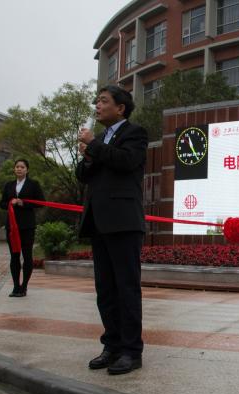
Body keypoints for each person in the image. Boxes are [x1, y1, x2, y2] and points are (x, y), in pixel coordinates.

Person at [76, 85, 148, 375]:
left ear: (120, 108)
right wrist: (87, 155)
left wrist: (93, 145)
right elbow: (83, 176)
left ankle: (131, 351)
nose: (97, 105)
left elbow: (126, 161)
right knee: (105, 289)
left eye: (103, 101)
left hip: (124, 221)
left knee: (126, 288)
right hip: (99, 221)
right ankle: (112, 345)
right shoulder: (101, 139)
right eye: (97, 101)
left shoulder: (135, 133)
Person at [0, 159, 45, 297]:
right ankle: (16, 287)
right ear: (14, 169)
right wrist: (10, 202)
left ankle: (24, 287)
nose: (19, 169)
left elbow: (41, 202)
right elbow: (2, 203)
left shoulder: (33, 184)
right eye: (17, 167)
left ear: (27, 170)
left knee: (27, 255)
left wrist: (23, 203)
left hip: (27, 226)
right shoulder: (9, 185)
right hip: (12, 226)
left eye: (22, 167)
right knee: (14, 256)